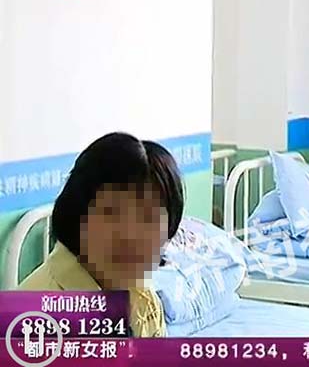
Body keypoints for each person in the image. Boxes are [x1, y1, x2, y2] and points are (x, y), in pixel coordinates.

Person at [20, 132, 185, 337]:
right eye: (112, 212)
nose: (129, 235)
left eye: (148, 218)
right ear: (79, 215)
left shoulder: (143, 297)